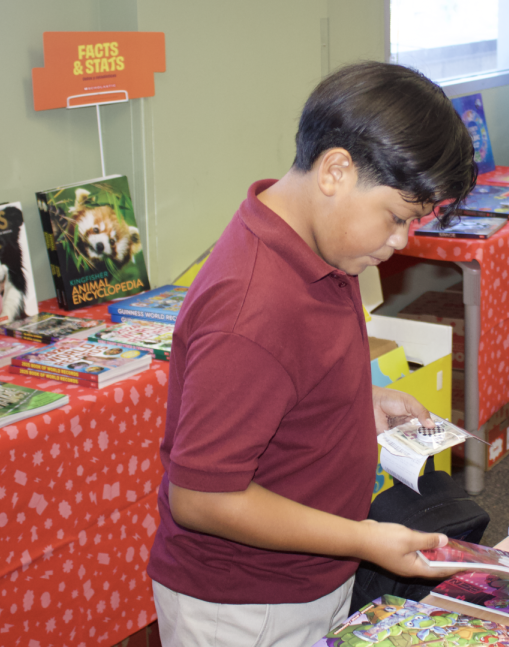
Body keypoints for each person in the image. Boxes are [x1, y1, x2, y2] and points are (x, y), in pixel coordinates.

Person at [146, 61, 478, 647]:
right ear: (335, 171)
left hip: (307, 575)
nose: (400, 242)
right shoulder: (252, 309)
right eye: (397, 219)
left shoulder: (323, 242)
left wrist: (353, 400)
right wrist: (363, 540)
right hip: (245, 605)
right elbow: (201, 497)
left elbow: (289, 377)